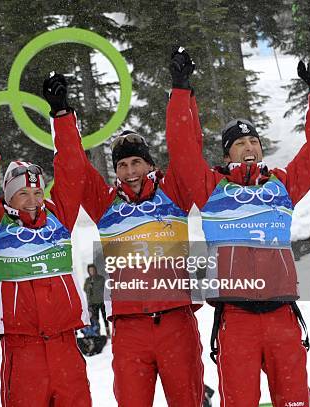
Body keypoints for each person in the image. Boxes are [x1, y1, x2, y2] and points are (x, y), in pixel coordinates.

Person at [166, 47, 310, 406]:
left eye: (253, 141)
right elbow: (181, 150)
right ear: (227, 155)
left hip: (283, 318)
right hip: (236, 319)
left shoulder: (281, 186)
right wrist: (181, 90)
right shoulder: (211, 190)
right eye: (239, 143)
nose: (248, 147)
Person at [0, 72, 91, 406]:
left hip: (65, 341)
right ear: (8, 197)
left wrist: (62, 114)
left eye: (36, 191)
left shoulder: (58, 215)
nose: (31, 199)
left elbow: (70, 168)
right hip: (21, 345)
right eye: (22, 193)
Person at [80, 68, 204, 405]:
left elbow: (188, 148)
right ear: (115, 171)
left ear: (149, 164)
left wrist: (181, 93)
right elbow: (75, 167)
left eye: (137, 162)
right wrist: (62, 116)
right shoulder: (105, 205)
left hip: (177, 319)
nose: (131, 171)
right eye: (123, 165)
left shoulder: (174, 193)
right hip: (129, 326)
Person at [83, 264, 109, 337]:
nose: (92, 271)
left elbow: (104, 288)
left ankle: (108, 332)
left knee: (105, 318)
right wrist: (89, 286)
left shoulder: (101, 278)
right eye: (90, 270)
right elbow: (85, 289)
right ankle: (98, 333)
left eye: (93, 270)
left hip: (101, 301)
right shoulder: (88, 280)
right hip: (93, 303)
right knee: (96, 320)